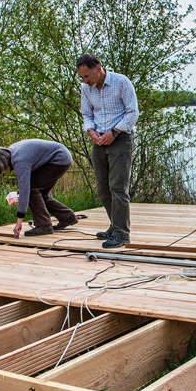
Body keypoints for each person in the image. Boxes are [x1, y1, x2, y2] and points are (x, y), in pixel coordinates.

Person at [76, 53, 139, 249]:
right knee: (103, 189)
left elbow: (132, 112)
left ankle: (122, 234)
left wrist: (114, 131)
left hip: (120, 139)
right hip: (99, 140)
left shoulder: (121, 82)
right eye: (82, 78)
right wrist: (90, 131)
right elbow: (86, 114)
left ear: (98, 68)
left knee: (118, 187)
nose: (85, 81)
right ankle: (114, 225)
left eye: (87, 76)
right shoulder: (86, 89)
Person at [0, 139, 78, 238]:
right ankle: (67, 217)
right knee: (39, 194)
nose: (6, 171)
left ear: (3, 157)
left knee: (32, 190)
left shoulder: (19, 160)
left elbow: (25, 190)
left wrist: (19, 220)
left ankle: (44, 225)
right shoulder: (14, 153)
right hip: (60, 157)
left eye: (3, 168)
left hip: (59, 159)